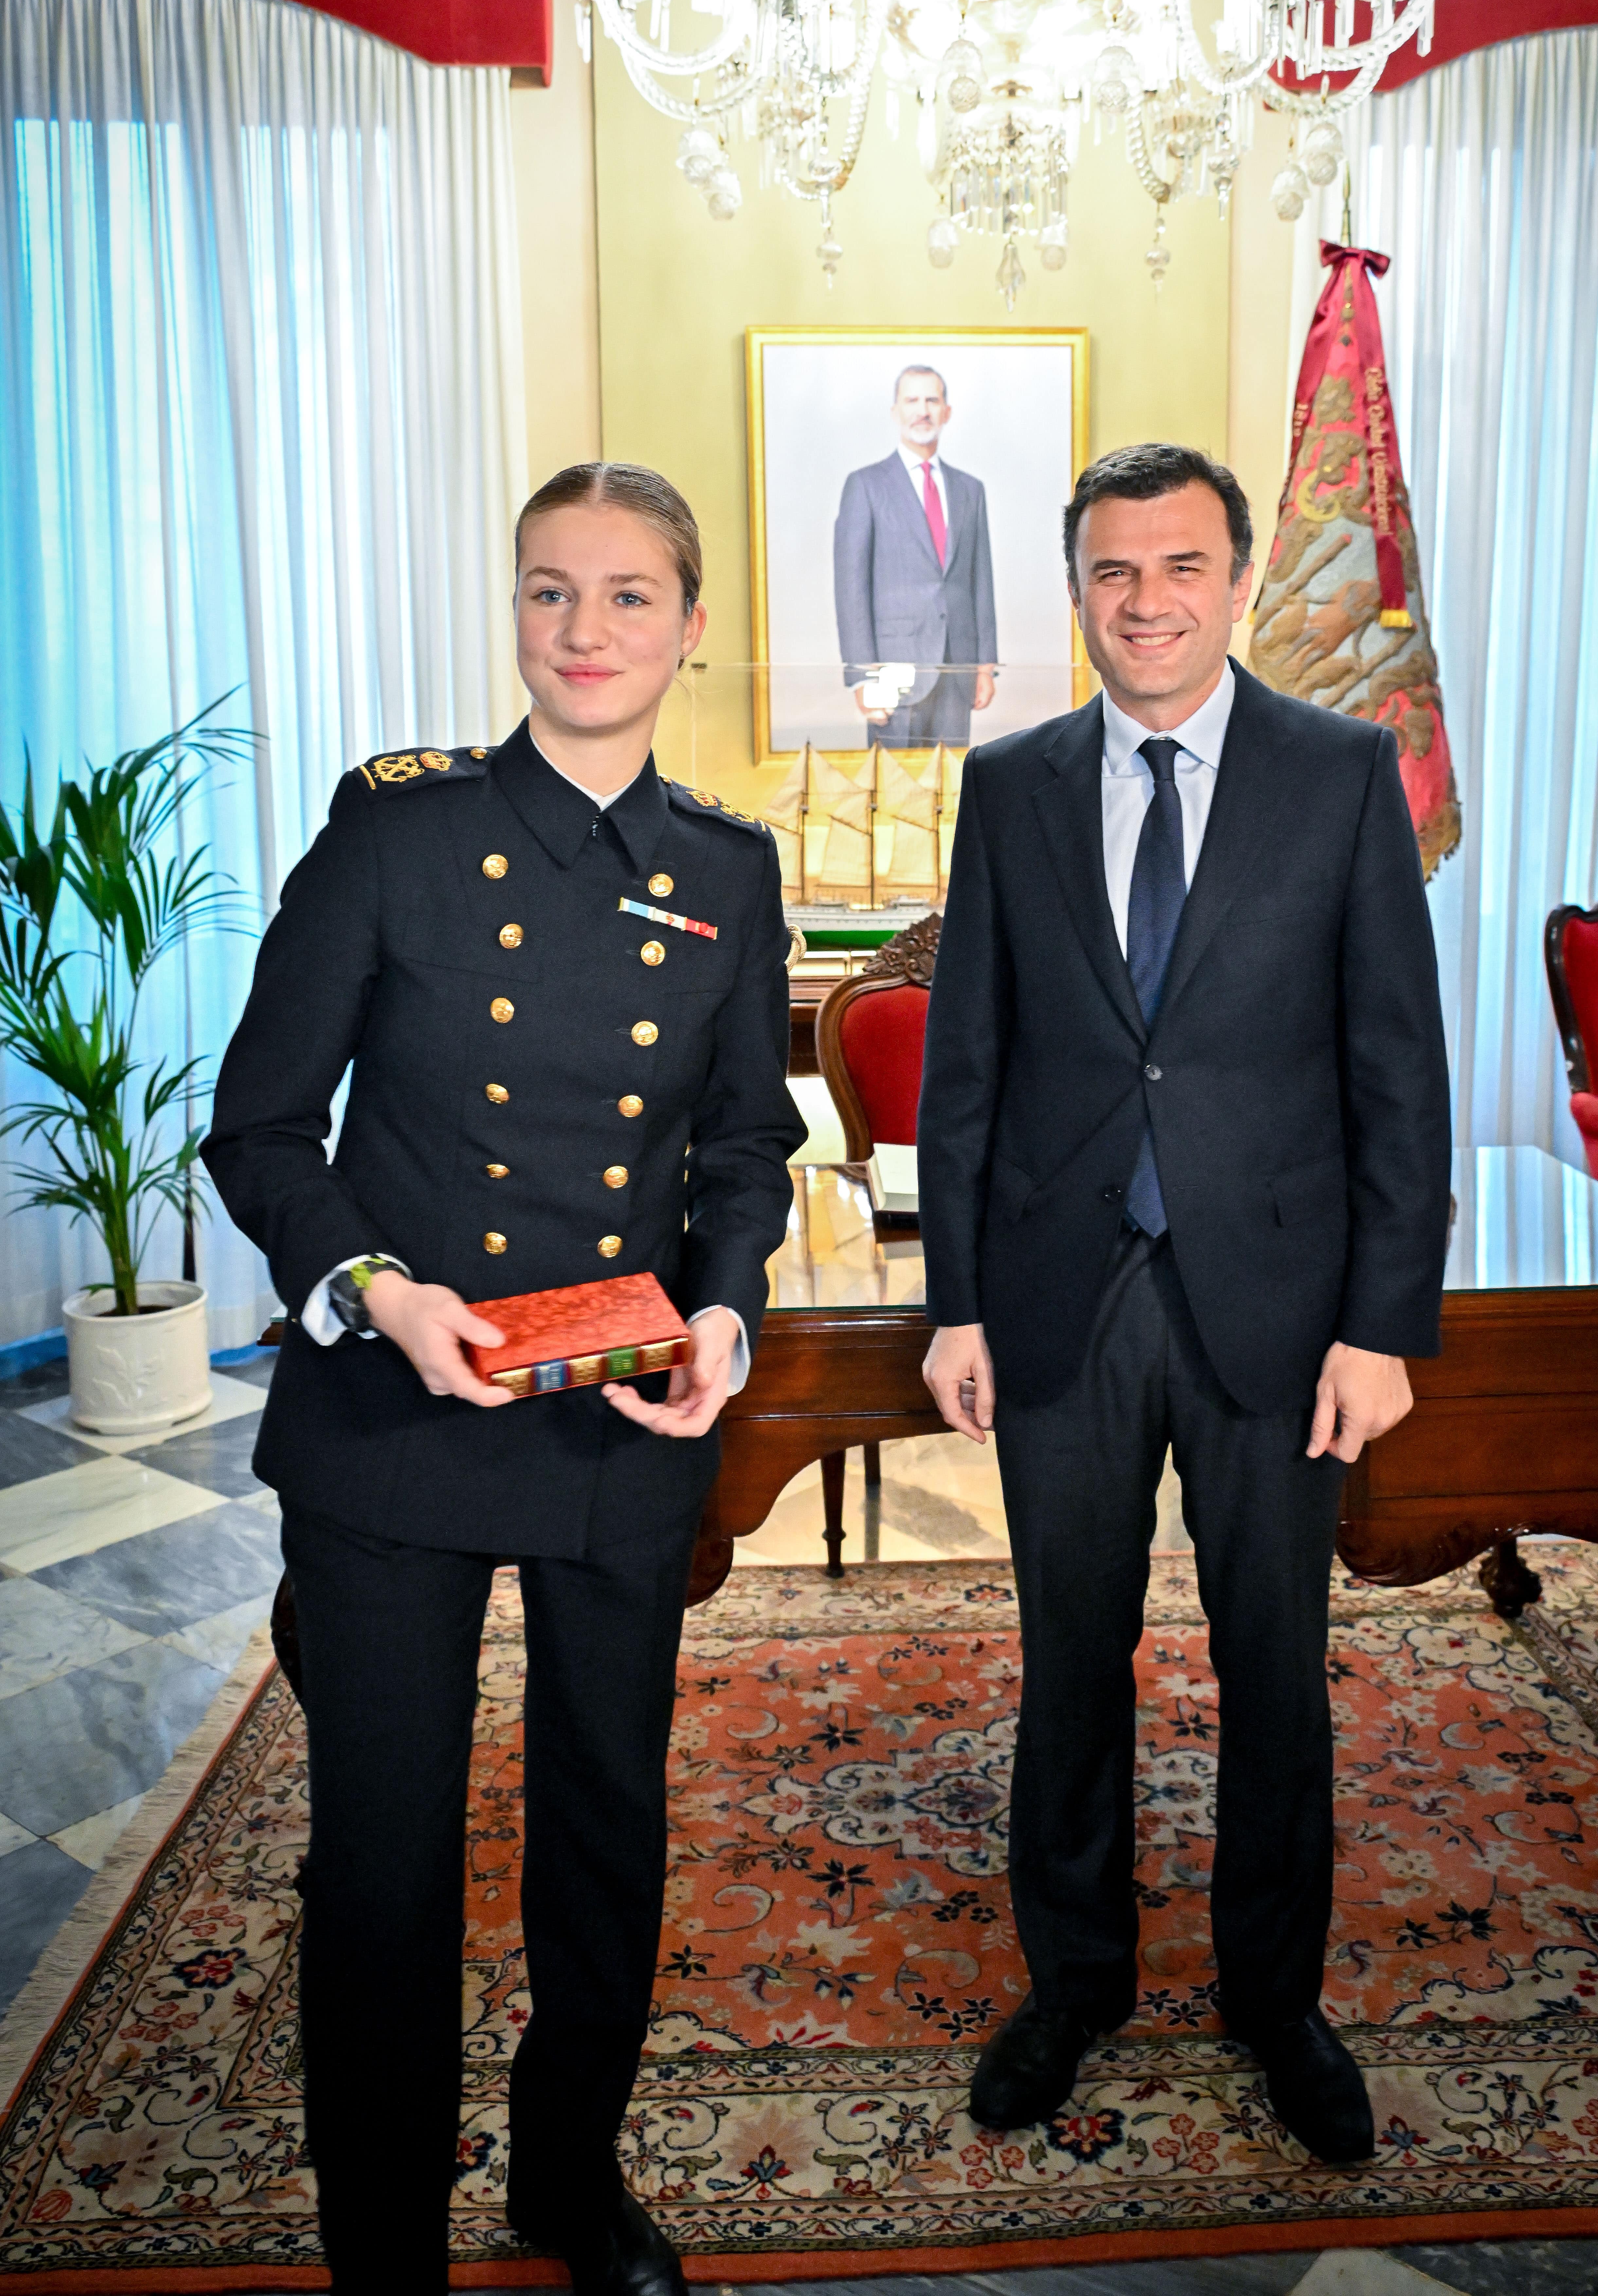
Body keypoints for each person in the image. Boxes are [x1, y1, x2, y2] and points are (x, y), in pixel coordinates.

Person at [204, 462, 804, 2296]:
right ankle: (381, 2246)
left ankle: (567, 2178)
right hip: (394, 1413)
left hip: (616, 1417)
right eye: (551, 589)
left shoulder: (726, 866)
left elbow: (744, 1145)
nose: (585, 627)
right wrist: (376, 1293)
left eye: (628, 595)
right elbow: (259, 1125)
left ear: (688, 628)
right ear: (516, 610)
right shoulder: (396, 836)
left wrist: (723, 1316)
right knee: (383, 1854)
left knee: (605, 1824)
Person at [915, 442, 1451, 2165]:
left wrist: (1384, 1324)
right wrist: (953, 1303)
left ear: (1237, 580)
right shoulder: (1008, 785)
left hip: (1280, 1310)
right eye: (1113, 571)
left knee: (1273, 1666)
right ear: (1078, 588)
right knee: (1070, 1659)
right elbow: (965, 1065)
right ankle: (1073, 1984)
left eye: (1181, 566)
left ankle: (1276, 2001)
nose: (1147, 601)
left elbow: (1399, 1072)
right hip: (1060, 1297)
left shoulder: (1343, 775)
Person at [832, 363, 998, 747]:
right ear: (895, 412)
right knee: (894, 779)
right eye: (912, 401)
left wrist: (985, 666)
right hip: (892, 673)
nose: (922, 411)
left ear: (946, 411)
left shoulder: (970, 490)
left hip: (958, 667)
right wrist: (862, 676)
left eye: (931, 401)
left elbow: (981, 582)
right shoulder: (865, 486)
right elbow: (851, 587)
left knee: (951, 779)